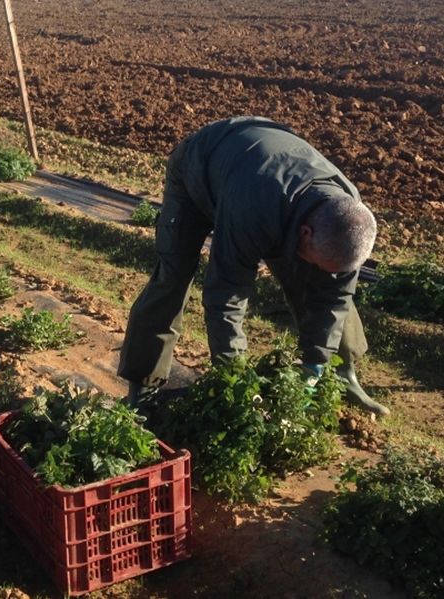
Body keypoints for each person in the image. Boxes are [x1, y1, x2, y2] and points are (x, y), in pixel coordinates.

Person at [117, 116, 390, 417]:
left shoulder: (347, 217)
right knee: (174, 274)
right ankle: (143, 385)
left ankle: (342, 374)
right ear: (305, 234)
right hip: (201, 170)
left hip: (265, 177)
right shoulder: (253, 208)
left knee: (320, 280)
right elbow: (226, 293)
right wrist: (235, 378)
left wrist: (315, 363)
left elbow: (335, 296)